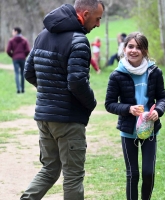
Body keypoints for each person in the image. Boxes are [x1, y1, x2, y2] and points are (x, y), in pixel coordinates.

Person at [21, 1, 105, 199]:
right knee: (73, 177)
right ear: (85, 14)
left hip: (44, 117)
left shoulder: (42, 35)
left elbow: (28, 72)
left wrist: (50, 93)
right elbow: (77, 81)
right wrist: (91, 103)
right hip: (67, 119)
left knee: (50, 169)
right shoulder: (79, 41)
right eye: (97, 18)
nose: (98, 24)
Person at [105, 32, 165, 200]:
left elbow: (162, 97)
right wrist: (128, 109)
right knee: (132, 174)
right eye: (130, 46)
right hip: (128, 130)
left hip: (150, 129)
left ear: (145, 51)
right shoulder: (117, 75)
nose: (134, 50)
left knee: (148, 172)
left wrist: (158, 111)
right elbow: (109, 104)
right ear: (124, 49)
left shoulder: (155, 72)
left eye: (138, 47)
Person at [6, 27, 30, 94]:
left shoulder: (11, 40)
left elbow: (8, 51)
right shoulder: (24, 40)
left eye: (13, 31)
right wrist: (24, 55)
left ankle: (18, 89)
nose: (12, 33)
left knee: (16, 73)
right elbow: (28, 50)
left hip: (15, 59)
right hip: (22, 58)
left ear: (16, 31)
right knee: (22, 73)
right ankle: (22, 89)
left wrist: (13, 56)